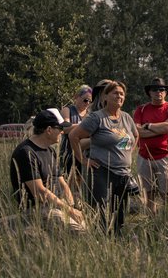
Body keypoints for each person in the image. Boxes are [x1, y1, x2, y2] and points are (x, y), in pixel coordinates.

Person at [68, 81, 138, 234]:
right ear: (105, 96)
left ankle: (116, 242)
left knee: (119, 213)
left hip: (123, 173)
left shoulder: (126, 117)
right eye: (115, 93)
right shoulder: (97, 118)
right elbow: (74, 136)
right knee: (101, 212)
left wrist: (126, 153)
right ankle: (99, 242)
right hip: (101, 172)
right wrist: (82, 160)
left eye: (122, 93)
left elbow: (135, 135)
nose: (119, 96)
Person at [9, 108, 85, 232]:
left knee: (87, 224)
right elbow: (40, 192)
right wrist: (69, 211)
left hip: (58, 206)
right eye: (60, 129)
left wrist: (72, 206)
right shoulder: (26, 152)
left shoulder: (50, 150)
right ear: (49, 130)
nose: (62, 132)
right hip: (39, 209)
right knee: (80, 233)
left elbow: (62, 182)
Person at [134, 78, 168, 213]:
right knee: (149, 194)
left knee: (167, 193)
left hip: (166, 156)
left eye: (161, 89)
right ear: (149, 92)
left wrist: (148, 126)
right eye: (154, 89)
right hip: (144, 156)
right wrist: (160, 129)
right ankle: (151, 221)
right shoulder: (141, 110)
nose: (158, 92)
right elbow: (137, 131)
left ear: (165, 92)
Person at [59, 84, 93, 193]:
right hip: (68, 153)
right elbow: (65, 127)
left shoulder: (90, 114)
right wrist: (85, 126)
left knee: (81, 184)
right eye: (85, 100)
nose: (87, 103)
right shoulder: (67, 109)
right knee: (67, 183)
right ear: (76, 97)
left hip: (85, 153)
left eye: (90, 101)